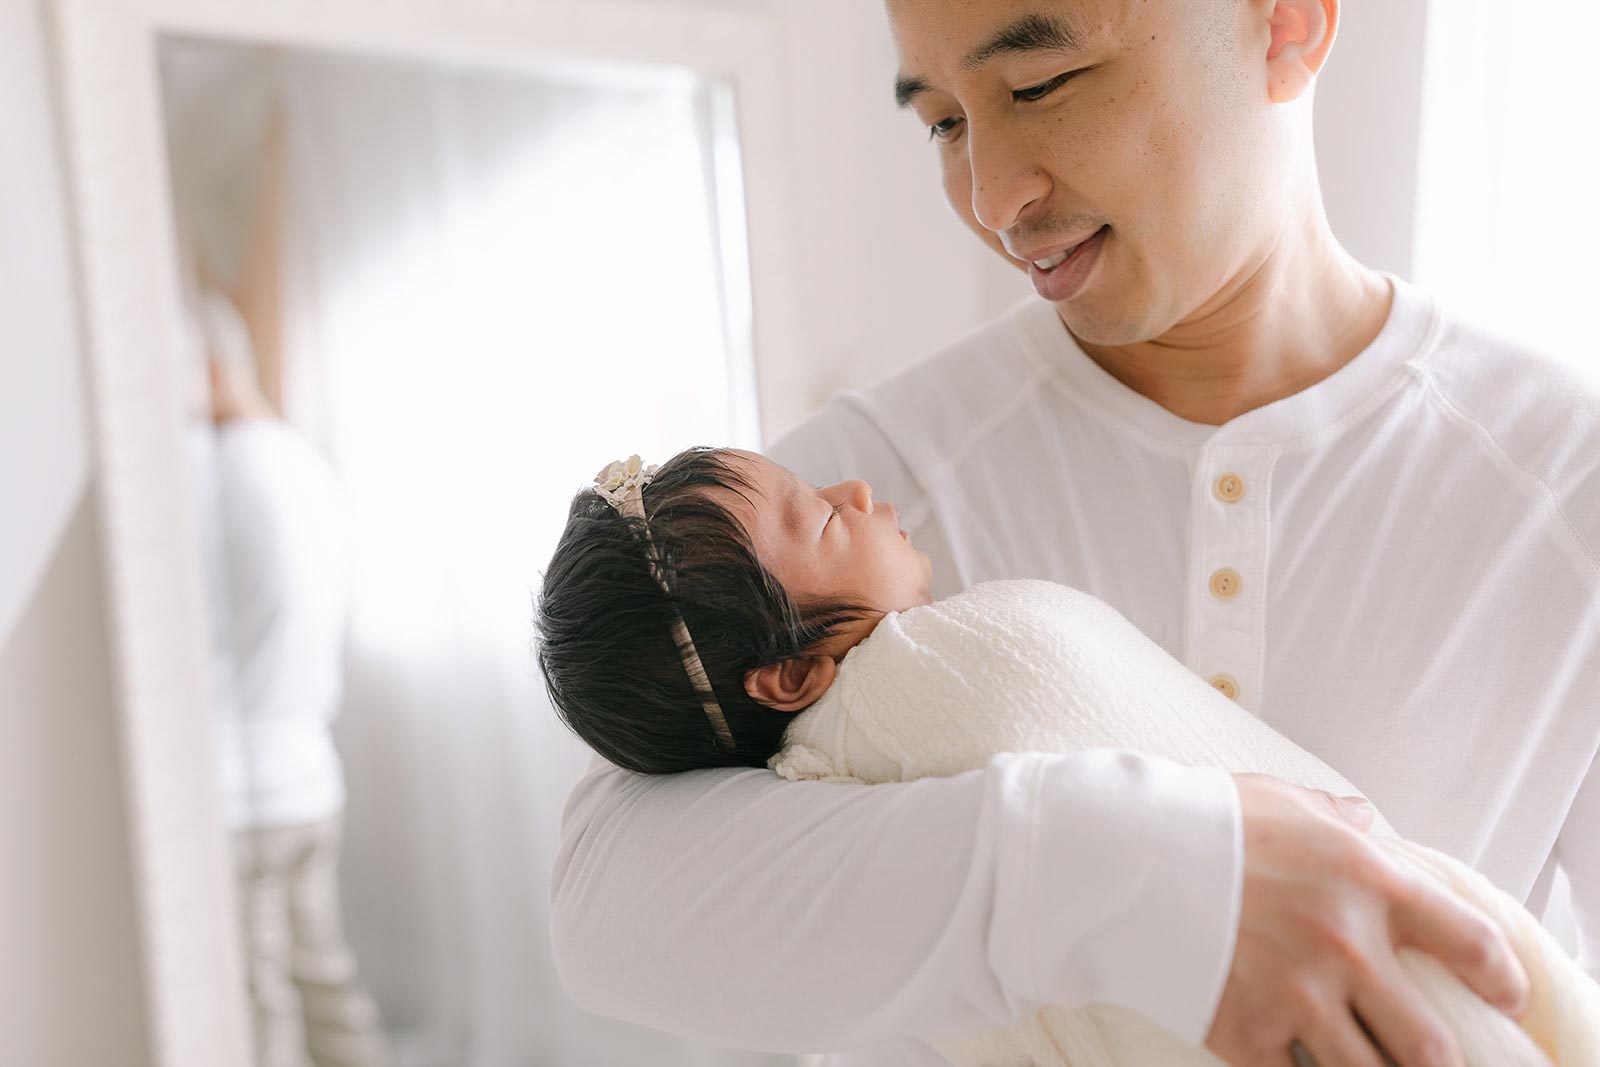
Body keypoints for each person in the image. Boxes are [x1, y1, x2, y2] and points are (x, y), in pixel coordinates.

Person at [548, 1, 1600, 1065]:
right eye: (945, 122)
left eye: (1038, 84)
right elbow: (601, 903)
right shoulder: (869, 475)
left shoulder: (1567, 480)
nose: (992, 199)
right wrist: (1148, 879)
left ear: (1285, 24)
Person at [535, 447, 1599, 1064]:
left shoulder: (1554, 465)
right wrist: (1125, 864)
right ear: (787, 676)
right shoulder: (920, 681)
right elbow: (592, 904)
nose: (857, 490)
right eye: (818, 514)